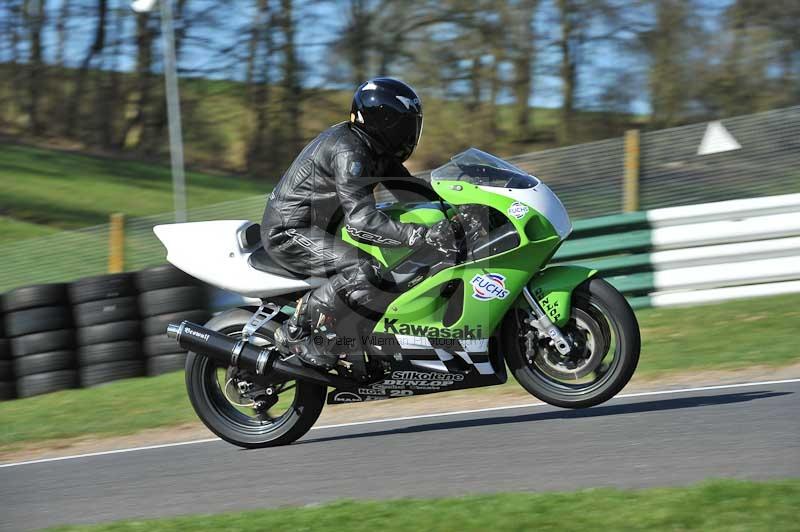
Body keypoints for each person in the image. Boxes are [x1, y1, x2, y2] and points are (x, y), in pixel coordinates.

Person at [261, 78, 456, 370]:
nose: (410, 132)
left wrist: (459, 209)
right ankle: (295, 332)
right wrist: (420, 235)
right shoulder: (350, 151)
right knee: (362, 269)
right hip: (290, 231)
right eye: (404, 124)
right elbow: (361, 221)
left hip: (320, 229)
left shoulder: (374, 150)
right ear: (383, 120)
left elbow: (411, 190)